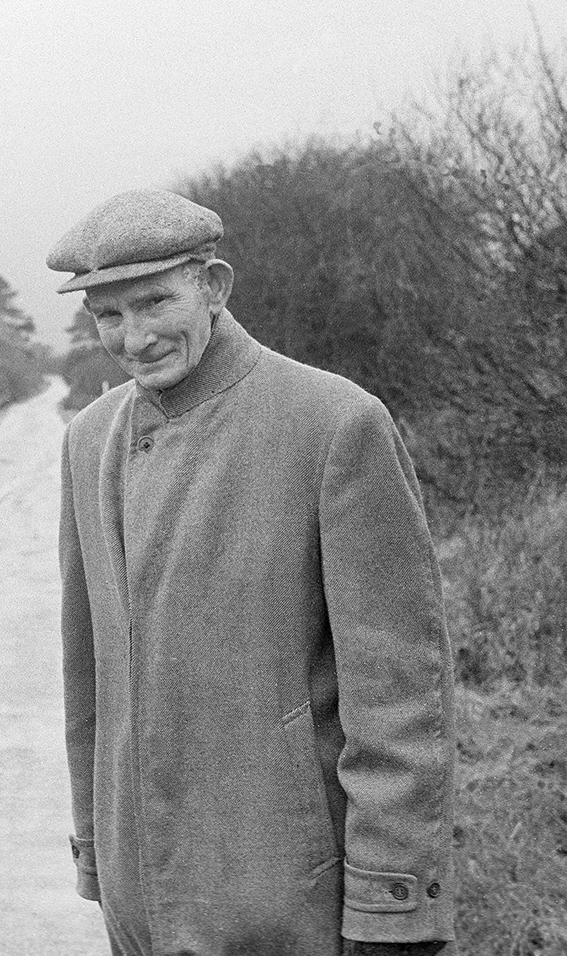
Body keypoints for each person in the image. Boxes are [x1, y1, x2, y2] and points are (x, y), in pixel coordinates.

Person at [48, 190, 456, 956]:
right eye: (108, 315)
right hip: (140, 909)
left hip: (288, 903)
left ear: (215, 286)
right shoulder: (87, 439)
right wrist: (99, 851)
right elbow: (87, 681)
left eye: (155, 301)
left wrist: (390, 904)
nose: (134, 338)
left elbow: (400, 693)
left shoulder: (336, 423)